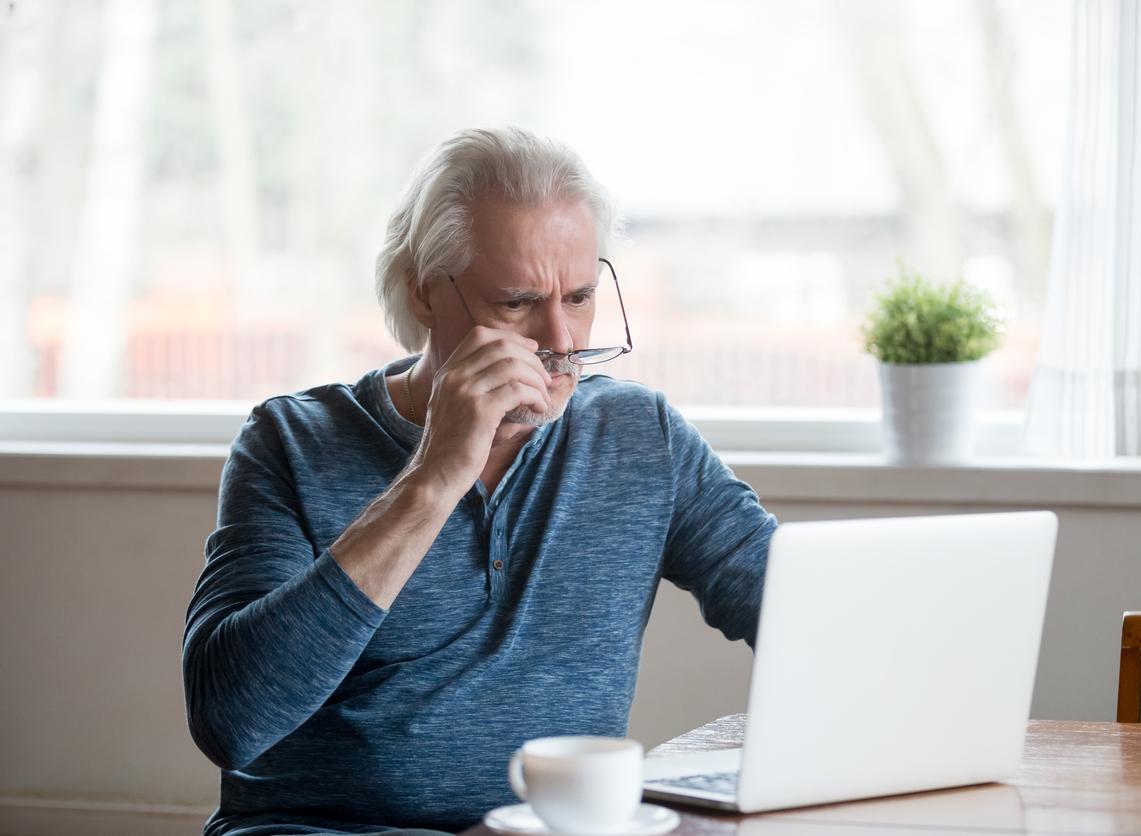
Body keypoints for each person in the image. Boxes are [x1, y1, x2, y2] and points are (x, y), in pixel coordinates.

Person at [182, 126, 776, 836]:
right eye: (518, 301)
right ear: (423, 292)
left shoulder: (638, 437)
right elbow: (231, 720)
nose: (561, 342)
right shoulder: (290, 442)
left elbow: (800, 614)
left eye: (580, 296)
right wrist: (434, 476)